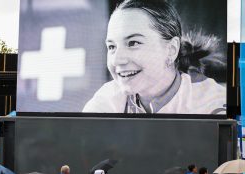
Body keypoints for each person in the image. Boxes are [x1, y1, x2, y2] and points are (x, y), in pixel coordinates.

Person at [82, 0, 226, 114]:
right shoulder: (107, 100)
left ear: (171, 49)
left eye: (133, 43)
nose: (117, 60)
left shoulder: (213, 104)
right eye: (111, 47)